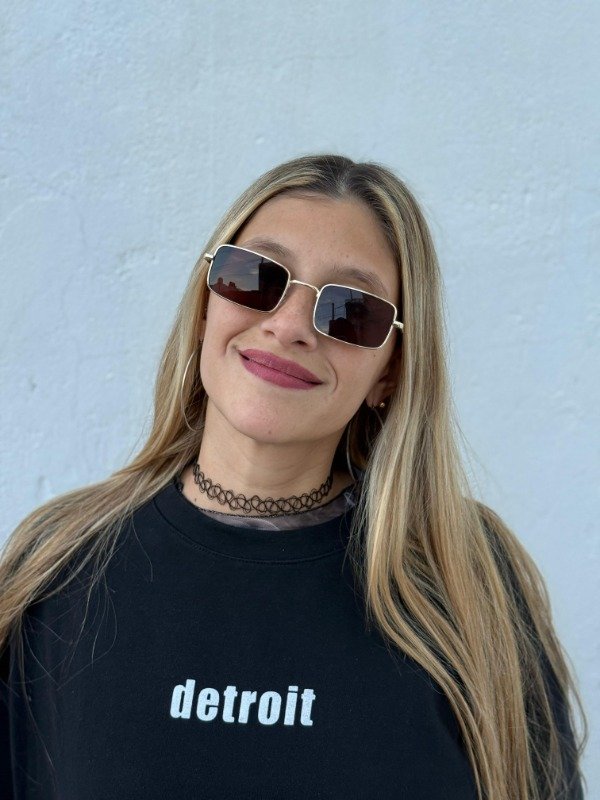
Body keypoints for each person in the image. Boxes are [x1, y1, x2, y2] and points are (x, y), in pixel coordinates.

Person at [0, 154, 587, 799]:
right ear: (205, 307)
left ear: (391, 372)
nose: (288, 326)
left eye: (350, 310)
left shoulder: (469, 583)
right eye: (254, 277)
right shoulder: (57, 564)